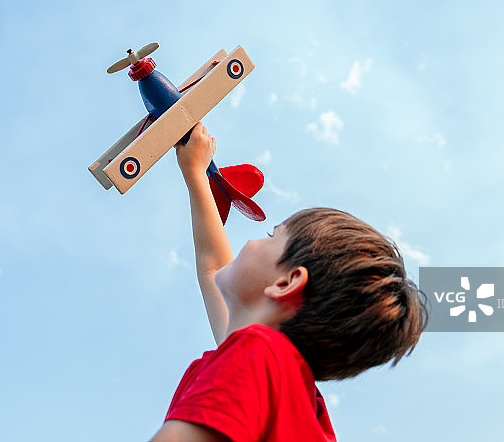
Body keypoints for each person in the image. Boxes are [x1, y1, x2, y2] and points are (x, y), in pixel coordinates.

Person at [149, 122, 429, 442]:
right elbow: (213, 266)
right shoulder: (296, 396)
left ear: (287, 283)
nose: (256, 239)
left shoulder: (258, 352)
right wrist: (196, 174)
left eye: (273, 236)